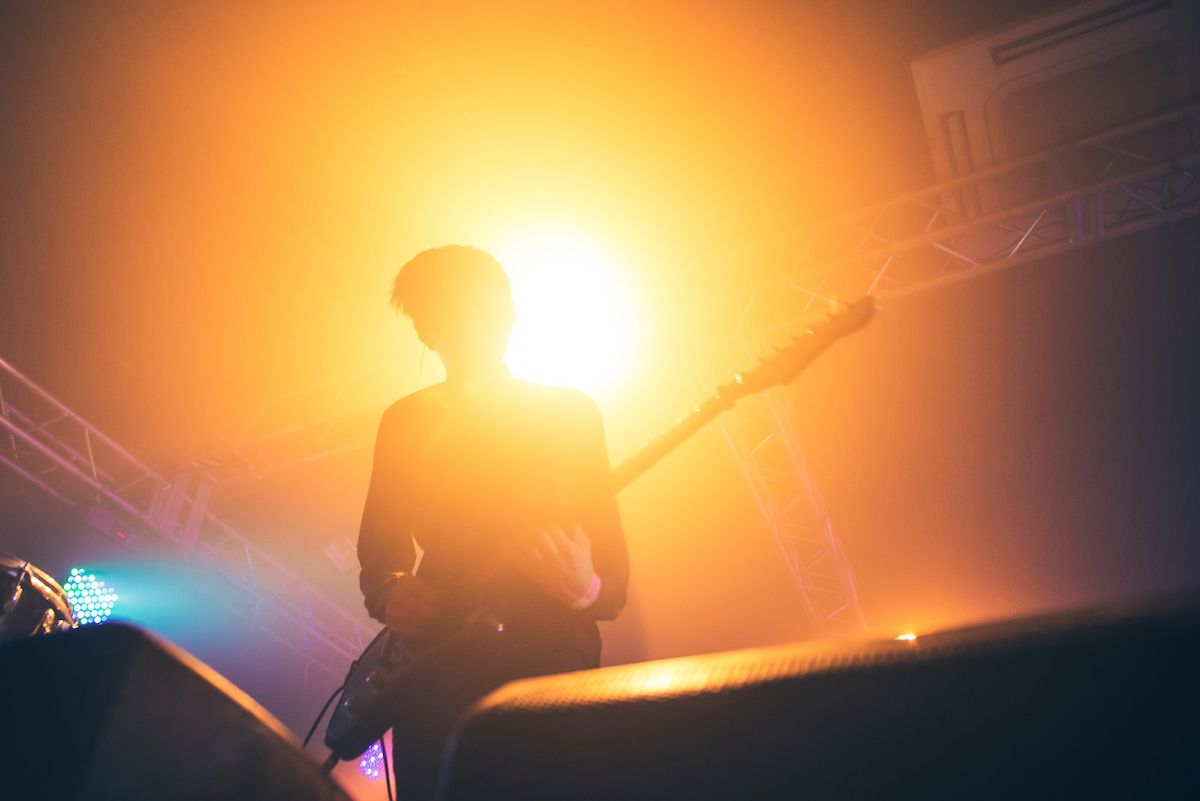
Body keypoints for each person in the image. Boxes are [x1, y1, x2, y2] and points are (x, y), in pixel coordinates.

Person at [356, 244, 629, 800]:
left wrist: (587, 588)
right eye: (451, 311)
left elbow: (613, 578)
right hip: (436, 670)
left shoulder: (569, 413)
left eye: (484, 306)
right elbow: (378, 553)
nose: (474, 324)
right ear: (425, 331)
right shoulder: (403, 422)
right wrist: (390, 594)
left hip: (548, 660)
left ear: (511, 313)